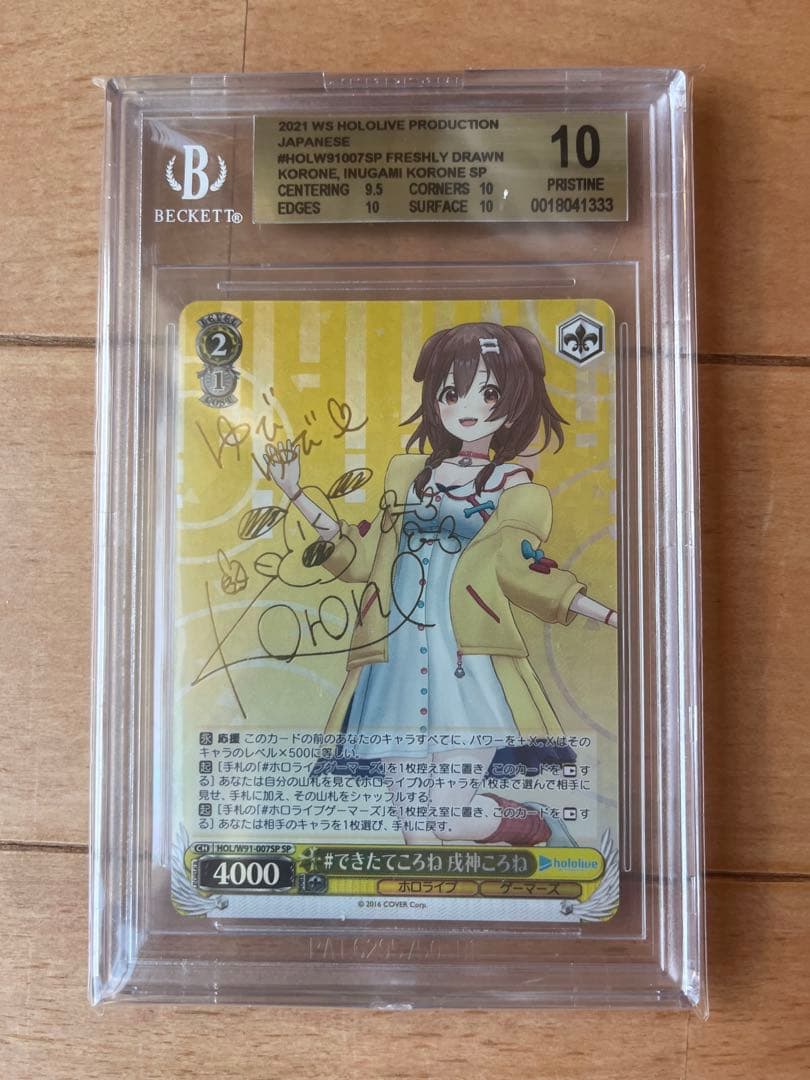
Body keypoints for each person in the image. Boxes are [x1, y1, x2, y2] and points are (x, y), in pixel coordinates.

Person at [264, 322, 617, 846]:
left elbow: (521, 569)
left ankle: (533, 824)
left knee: (446, 818)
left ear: (514, 404)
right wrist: (296, 494)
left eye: (488, 393)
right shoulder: (407, 475)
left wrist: (607, 614)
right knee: (415, 825)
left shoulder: (515, 488)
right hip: (395, 664)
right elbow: (364, 557)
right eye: (451, 393)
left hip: (466, 663)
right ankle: (434, 894)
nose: (466, 407)